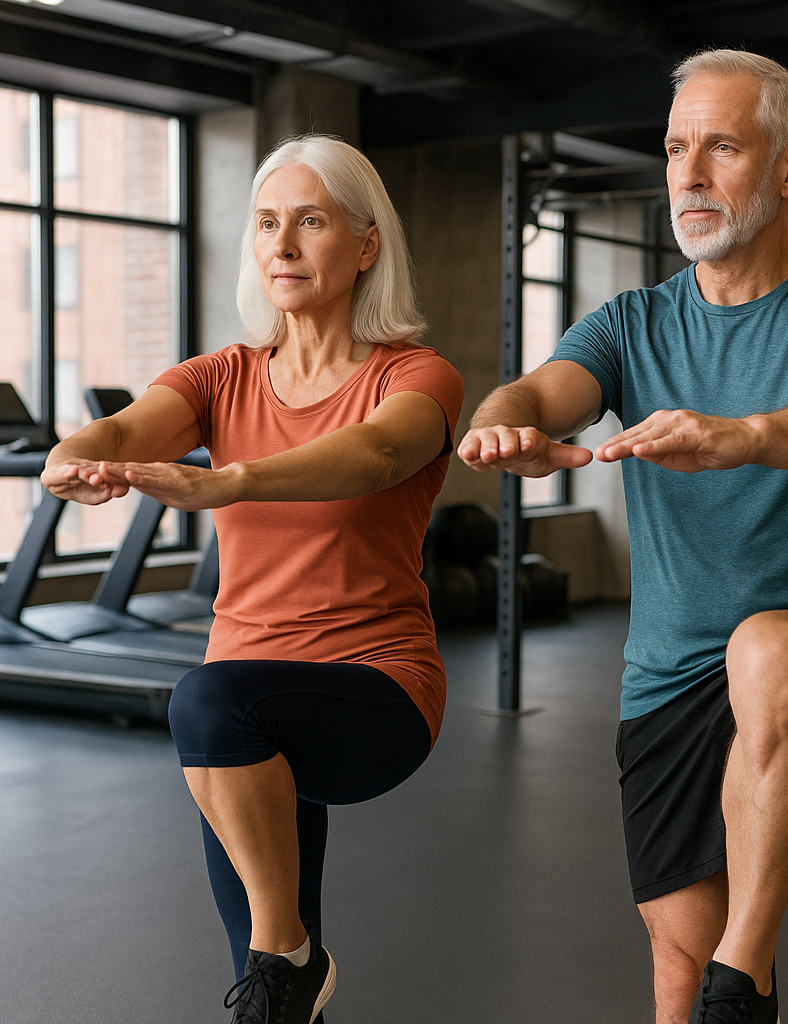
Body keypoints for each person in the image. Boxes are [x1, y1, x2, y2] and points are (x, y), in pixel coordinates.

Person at [458, 49, 788, 1024]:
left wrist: (747, 436)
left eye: (721, 146)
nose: (687, 173)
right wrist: (510, 422)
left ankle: (742, 976)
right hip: (668, 671)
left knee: (766, 649)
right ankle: (730, 986)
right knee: (679, 966)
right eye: (676, 148)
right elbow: (542, 390)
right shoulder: (632, 322)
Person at [42, 134, 464, 1024]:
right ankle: (291, 964)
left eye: (310, 222)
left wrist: (230, 479)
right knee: (265, 999)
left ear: (365, 242)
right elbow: (124, 433)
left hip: (374, 691)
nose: (282, 244)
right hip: (243, 710)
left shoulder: (416, 376)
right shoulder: (221, 376)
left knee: (204, 704)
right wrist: (71, 455)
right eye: (268, 223)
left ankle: (293, 956)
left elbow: (380, 452)